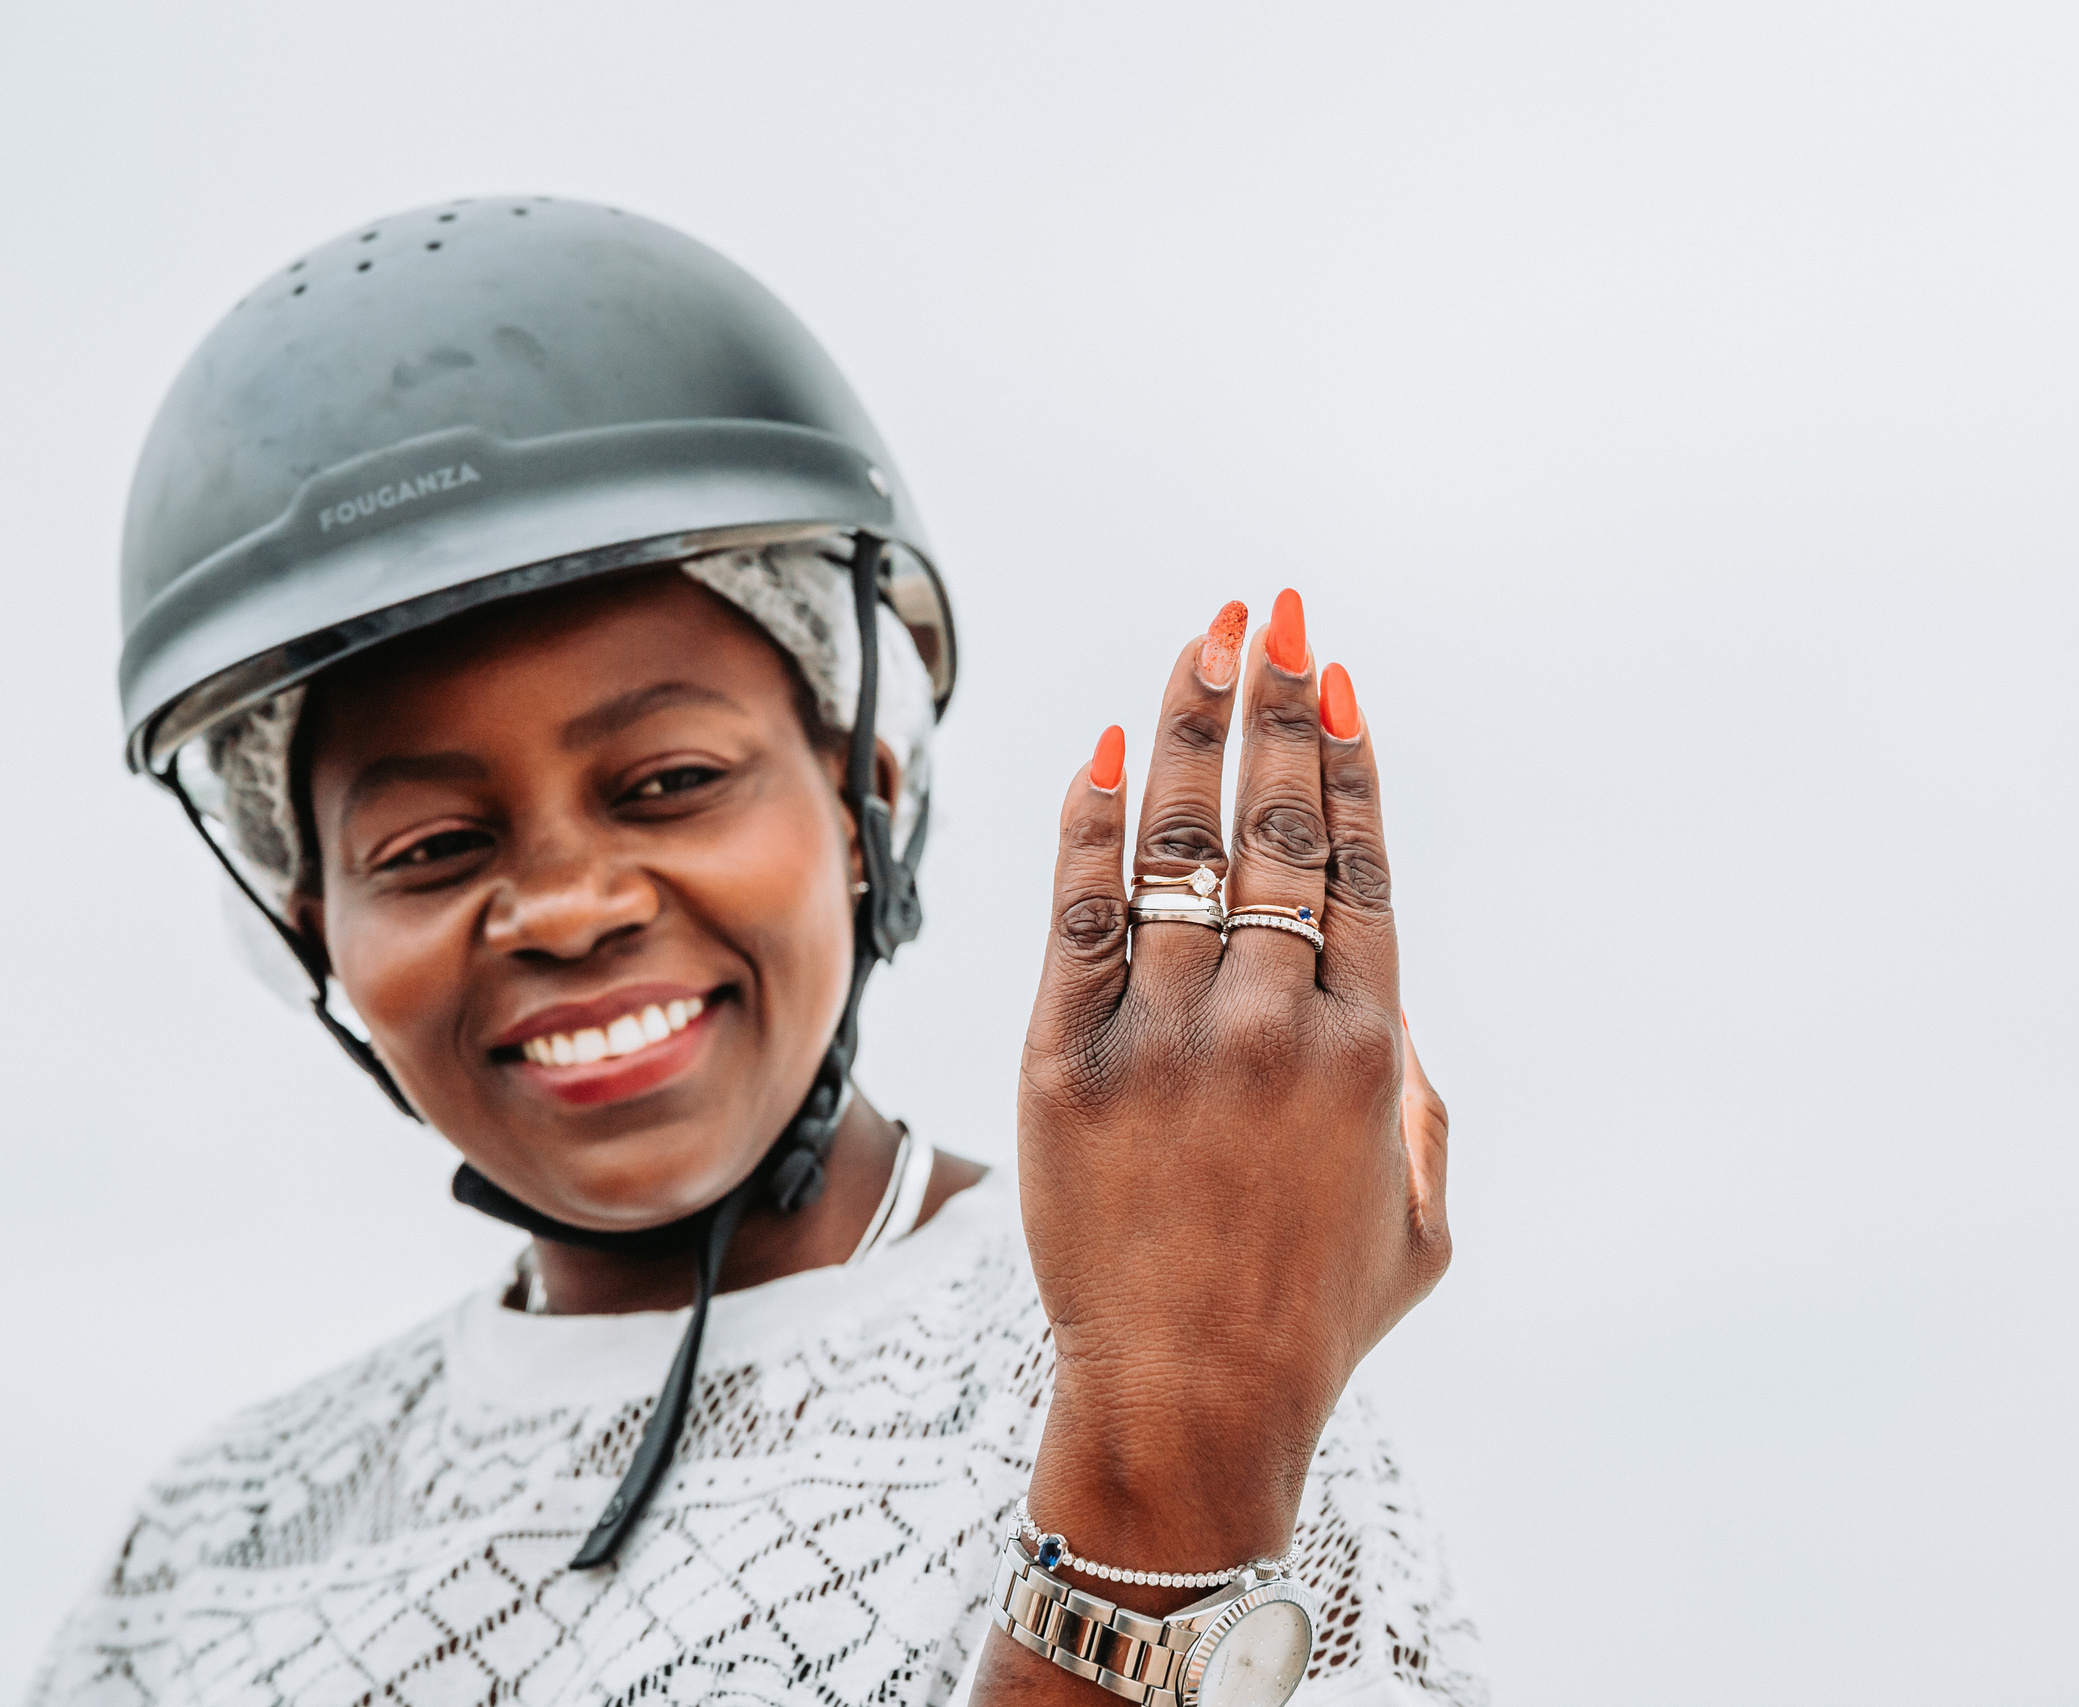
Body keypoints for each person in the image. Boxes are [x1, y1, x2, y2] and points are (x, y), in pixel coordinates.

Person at [31, 199, 1479, 1707]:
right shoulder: (214, 1546)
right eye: (429, 851)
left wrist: (1170, 1461)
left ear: (868, 798)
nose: (570, 907)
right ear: (304, 925)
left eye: (670, 783)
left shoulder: (1194, 1368)